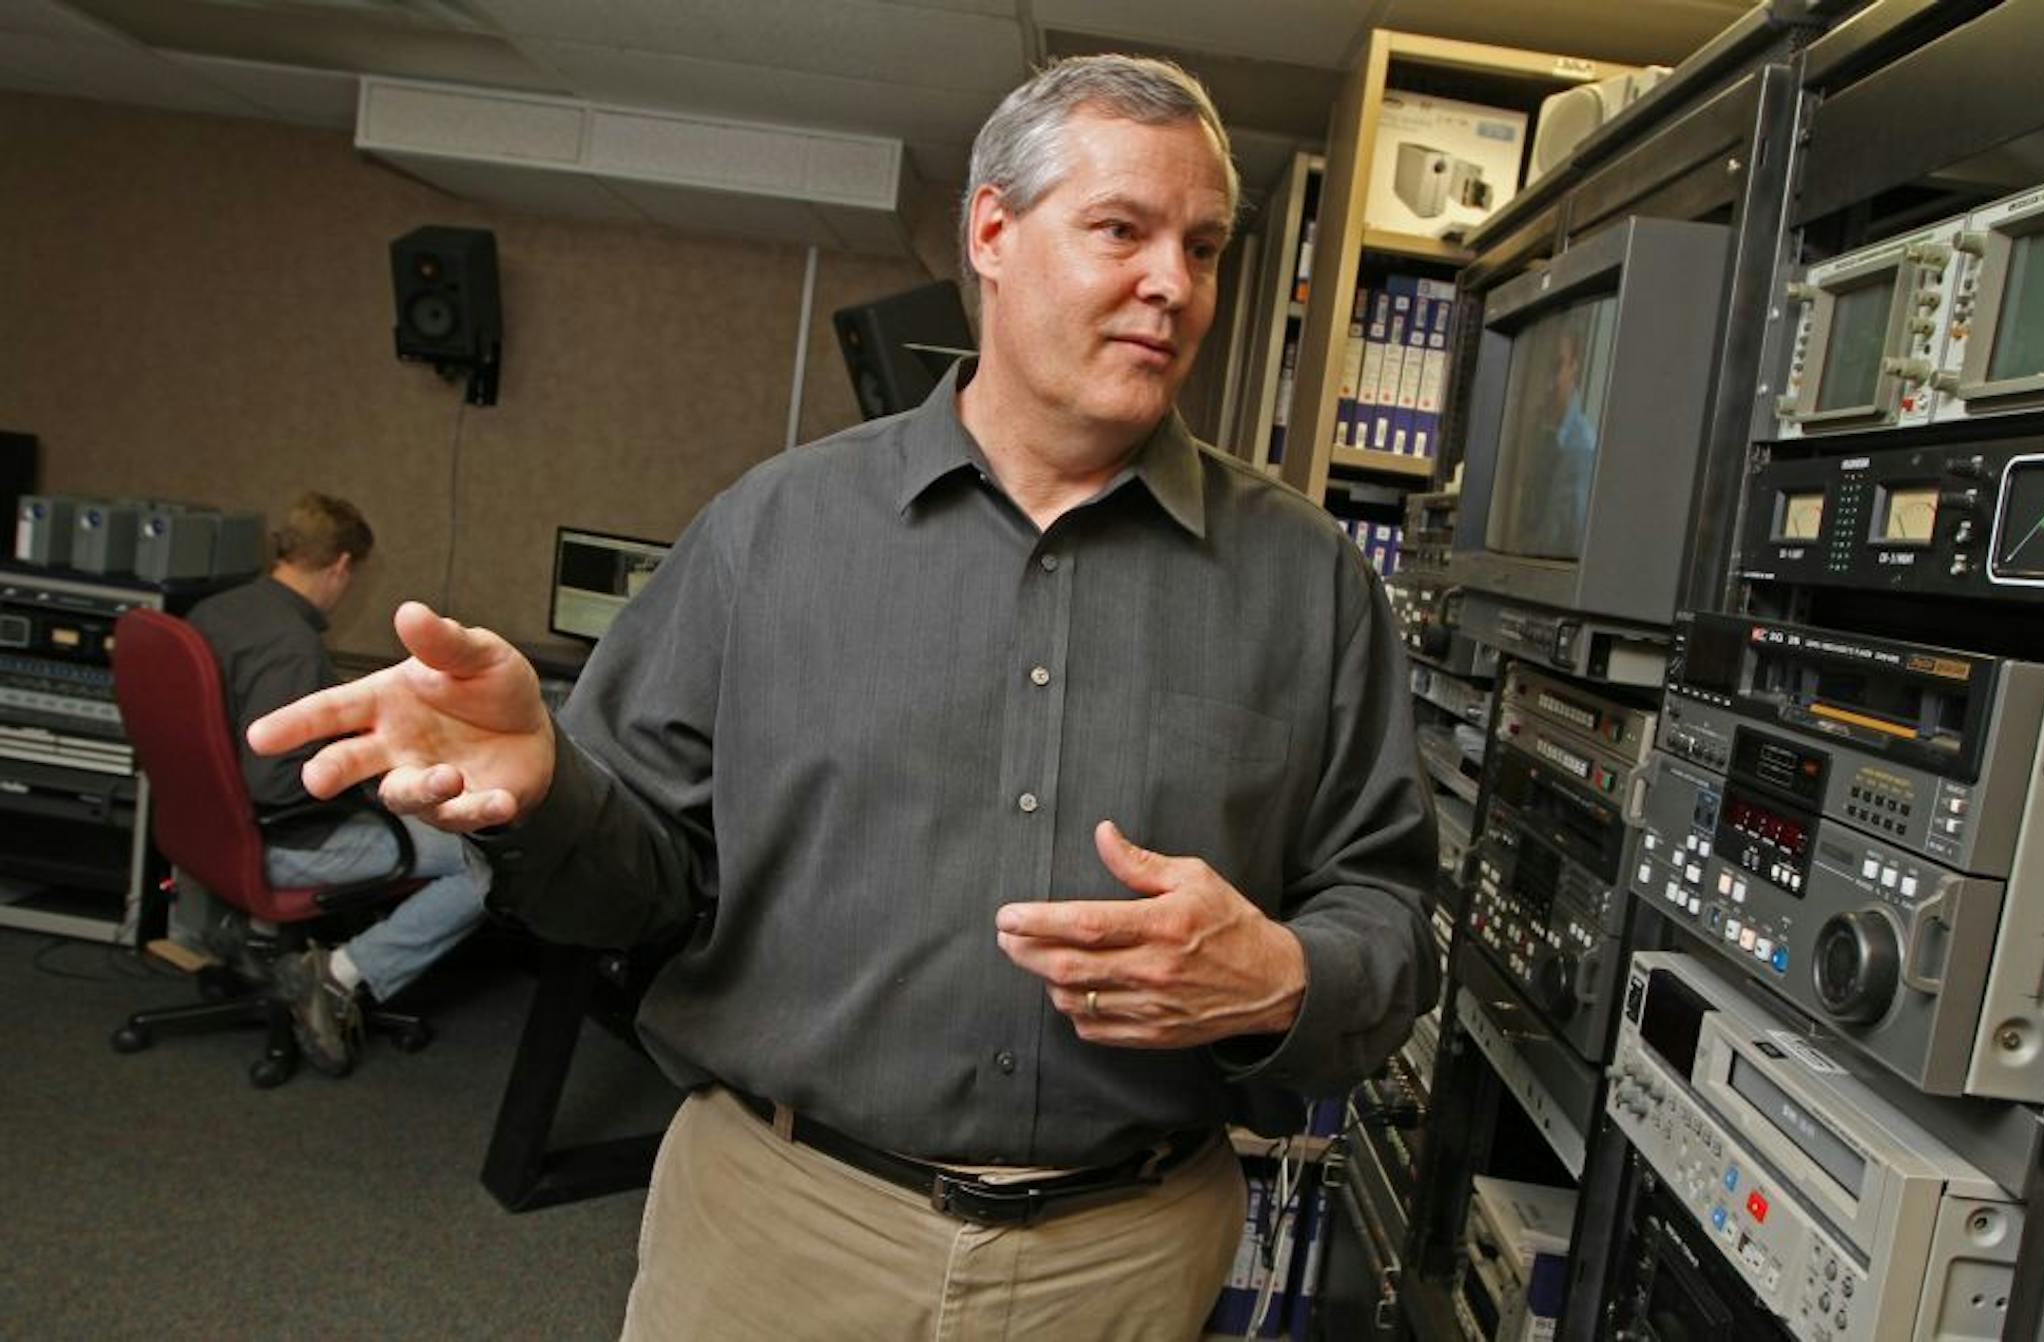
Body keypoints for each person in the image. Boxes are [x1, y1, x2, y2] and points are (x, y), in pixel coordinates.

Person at [252, 56, 1438, 1338]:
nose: (1174, 283)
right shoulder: (771, 531)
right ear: (992, 231)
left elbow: (1388, 912)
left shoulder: (1308, 580)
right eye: (1122, 230)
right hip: (778, 1231)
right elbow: (634, 887)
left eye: (1202, 248)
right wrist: (546, 795)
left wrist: (1283, 976)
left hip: (1125, 1264)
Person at [188, 492, 492, 1078]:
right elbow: (276, 785)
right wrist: (370, 780)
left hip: (210, 830)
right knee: (483, 858)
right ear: (342, 567)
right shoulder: (292, 646)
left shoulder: (217, 610)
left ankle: (259, 938)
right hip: (279, 841)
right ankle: (337, 975)